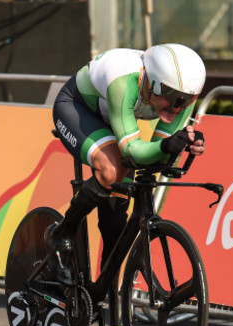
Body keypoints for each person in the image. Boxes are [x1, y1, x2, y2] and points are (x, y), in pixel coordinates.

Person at [48, 43, 206, 289]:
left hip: (114, 119)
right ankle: (61, 234)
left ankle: (104, 291)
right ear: (152, 82)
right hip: (77, 108)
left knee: (115, 223)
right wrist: (166, 147)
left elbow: (157, 156)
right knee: (112, 171)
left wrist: (182, 143)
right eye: (171, 95)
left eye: (185, 99)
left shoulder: (181, 98)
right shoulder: (124, 80)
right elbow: (132, 152)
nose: (176, 107)